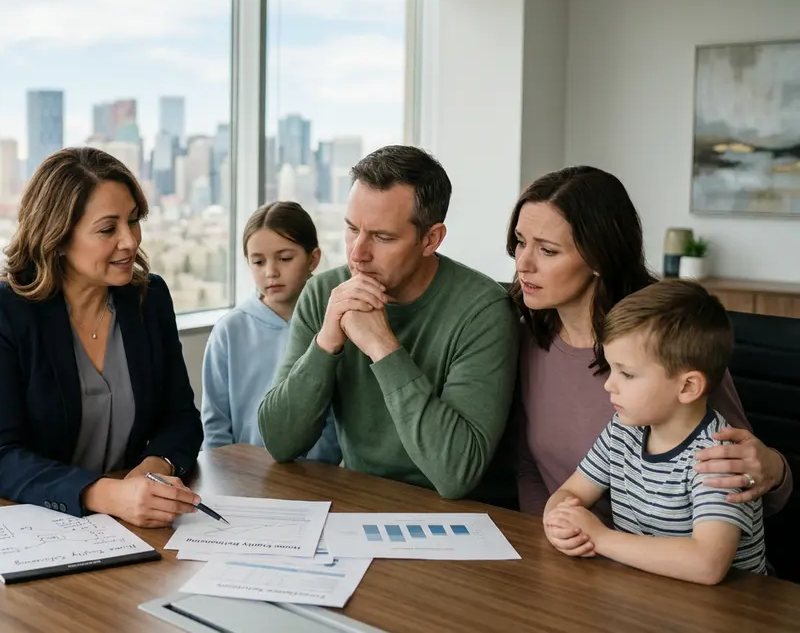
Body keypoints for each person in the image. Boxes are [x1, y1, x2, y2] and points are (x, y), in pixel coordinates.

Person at [509, 166, 792, 551]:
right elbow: (529, 467)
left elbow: (744, 479)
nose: (523, 263)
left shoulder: (667, 341)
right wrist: (552, 542)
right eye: (520, 242)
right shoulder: (526, 334)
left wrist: (773, 469)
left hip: (677, 572)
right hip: (576, 560)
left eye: (547, 250)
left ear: (598, 258)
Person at [0, 147, 204, 528]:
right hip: (0, 518)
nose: (130, 241)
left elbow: (180, 418)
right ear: (58, 236)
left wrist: (151, 469)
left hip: (115, 525)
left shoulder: (148, 298)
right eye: (108, 229)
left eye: (134, 220)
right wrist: (105, 494)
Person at [257, 145, 519, 499]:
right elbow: (279, 442)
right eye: (352, 229)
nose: (357, 253)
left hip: (457, 520)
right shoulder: (324, 294)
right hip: (360, 502)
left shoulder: (483, 311)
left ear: (431, 239)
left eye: (382, 237)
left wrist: (383, 347)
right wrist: (327, 342)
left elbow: (456, 473)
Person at [543, 280, 768, 584]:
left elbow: (708, 564)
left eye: (627, 373)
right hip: (647, 595)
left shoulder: (719, 458)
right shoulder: (623, 431)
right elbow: (570, 492)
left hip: (729, 612)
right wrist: (558, 521)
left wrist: (601, 537)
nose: (609, 385)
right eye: (611, 369)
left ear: (687, 387)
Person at [201, 201, 341, 463]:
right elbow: (215, 423)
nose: (271, 272)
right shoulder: (229, 331)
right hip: (244, 477)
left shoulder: (334, 325)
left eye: (285, 258)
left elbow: (339, 418)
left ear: (313, 259)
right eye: (258, 262)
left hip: (320, 477)